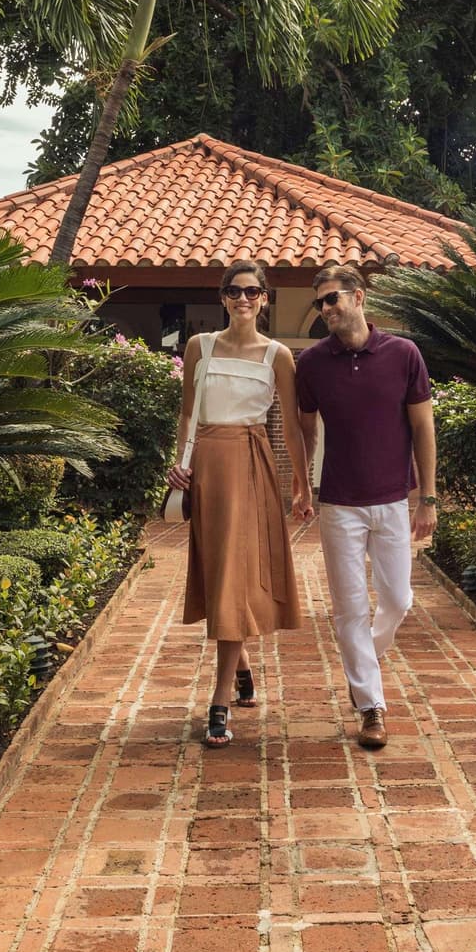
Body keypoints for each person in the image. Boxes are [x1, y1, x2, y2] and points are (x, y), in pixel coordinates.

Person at [166, 260, 314, 748]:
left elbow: (290, 425)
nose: (244, 299)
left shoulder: (278, 356)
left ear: (265, 298)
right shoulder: (199, 347)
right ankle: (244, 666)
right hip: (207, 468)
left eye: (253, 292)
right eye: (235, 291)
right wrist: (178, 464)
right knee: (218, 572)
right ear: (223, 298)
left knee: (234, 572)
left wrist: (302, 485)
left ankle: (219, 699)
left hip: (252, 467)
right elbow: (188, 414)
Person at [294, 262, 438, 750]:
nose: (326, 309)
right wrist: (300, 480)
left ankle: (363, 665)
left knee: (398, 600)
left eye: (333, 298)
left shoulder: (403, 354)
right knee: (350, 609)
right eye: (320, 303)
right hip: (338, 503)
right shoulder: (311, 363)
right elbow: (305, 427)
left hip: (393, 499)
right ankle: (370, 705)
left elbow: (423, 428)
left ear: (359, 298)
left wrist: (429, 498)